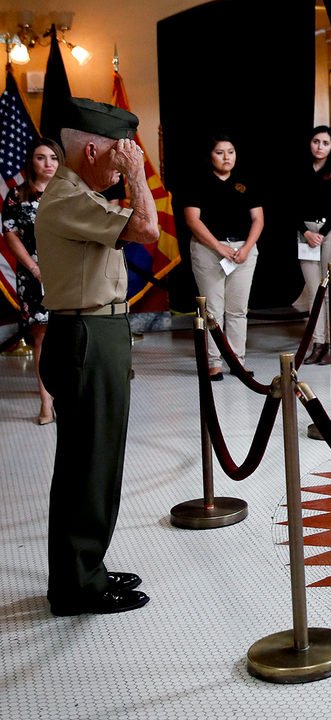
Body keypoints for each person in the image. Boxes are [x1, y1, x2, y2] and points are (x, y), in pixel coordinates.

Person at [36, 97, 159, 615]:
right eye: (119, 154)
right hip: (85, 335)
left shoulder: (81, 194)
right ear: (91, 151)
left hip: (96, 331)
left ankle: (88, 568)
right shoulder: (67, 198)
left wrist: (125, 171)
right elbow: (148, 230)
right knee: (87, 466)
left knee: (97, 460)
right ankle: (76, 586)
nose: (123, 162)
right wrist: (137, 176)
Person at [182, 134, 263, 380]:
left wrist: (246, 248)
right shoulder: (197, 182)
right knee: (213, 310)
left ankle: (238, 361)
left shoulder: (246, 181)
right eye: (220, 152)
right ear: (210, 155)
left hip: (242, 250)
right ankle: (214, 363)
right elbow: (192, 220)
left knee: (238, 309)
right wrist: (219, 247)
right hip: (209, 250)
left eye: (231, 151)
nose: (226, 157)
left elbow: (258, 219)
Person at [3, 138, 63, 423]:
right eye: (41, 157)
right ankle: (46, 401)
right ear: (31, 161)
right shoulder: (17, 195)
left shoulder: (70, 192)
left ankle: (69, 395)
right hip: (33, 273)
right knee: (42, 336)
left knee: (70, 334)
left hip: (68, 273)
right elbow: (10, 234)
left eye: (53, 158)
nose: (48, 163)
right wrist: (34, 268)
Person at [297, 126, 331, 366]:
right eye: (316, 141)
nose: (320, 146)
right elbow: (289, 204)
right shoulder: (300, 168)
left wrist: (321, 232)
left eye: (325, 143)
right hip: (306, 232)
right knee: (314, 292)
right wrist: (306, 232)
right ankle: (317, 344)